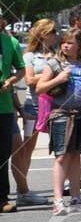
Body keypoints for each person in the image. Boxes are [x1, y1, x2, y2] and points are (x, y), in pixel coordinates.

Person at [37, 28, 81, 214]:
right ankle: (58, 200)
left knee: (75, 155)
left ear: (80, 46)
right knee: (62, 156)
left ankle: (75, 197)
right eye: (64, 42)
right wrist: (58, 78)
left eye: (70, 42)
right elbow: (40, 88)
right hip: (61, 114)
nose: (65, 45)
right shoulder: (54, 63)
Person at [11, 18, 57, 206]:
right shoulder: (30, 56)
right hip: (34, 107)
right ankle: (23, 190)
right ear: (44, 34)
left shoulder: (58, 54)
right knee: (26, 150)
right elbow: (29, 80)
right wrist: (53, 75)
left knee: (62, 148)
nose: (56, 35)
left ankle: (68, 184)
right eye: (53, 32)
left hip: (57, 105)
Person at [0, 19, 24, 212]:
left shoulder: (11, 43)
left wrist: (10, 80)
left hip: (4, 106)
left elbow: (21, 69)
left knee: (2, 154)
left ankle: (2, 199)